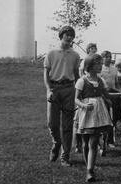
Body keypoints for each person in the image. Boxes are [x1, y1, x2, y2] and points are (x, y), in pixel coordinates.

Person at [75, 53, 121, 182]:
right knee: (86, 142)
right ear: (89, 65)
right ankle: (88, 167)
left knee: (93, 142)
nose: (101, 66)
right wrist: (84, 105)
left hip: (98, 113)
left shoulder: (100, 80)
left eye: (101, 64)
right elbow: (76, 99)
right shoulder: (82, 81)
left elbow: (107, 95)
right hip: (86, 113)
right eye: (98, 64)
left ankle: (90, 171)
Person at [44, 25, 80, 166]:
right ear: (61, 35)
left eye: (71, 35)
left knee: (67, 125)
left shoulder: (75, 55)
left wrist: (79, 93)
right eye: (67, 34)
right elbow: (46, 74)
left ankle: (65, 156)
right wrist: (48, 89)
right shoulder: (51, 53)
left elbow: (77, 76)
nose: (69, 37)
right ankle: (56, 143)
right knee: (52, 123)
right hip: (54, 88)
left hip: (69, 89)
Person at [75, 43, 98, 154]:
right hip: (84, 90)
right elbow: (81, 73)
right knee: (79, 120)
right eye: (91, 48)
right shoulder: (84, 61)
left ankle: (96, 144)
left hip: (95, 92)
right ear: (88, 50)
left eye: (95, 48)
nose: (93, 50)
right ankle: (78, 143)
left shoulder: (97, 61)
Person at [99, 50, 121, 147]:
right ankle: (101, 140)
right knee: (105, 117)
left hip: (114, 95)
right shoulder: (99, 70)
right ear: (102, 58)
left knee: (113, 117)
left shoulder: (114, 69)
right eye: (106, 57)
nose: (109, 58)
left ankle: (110, 141)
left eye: (110, 57)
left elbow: (116, 84)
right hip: (103, 95)